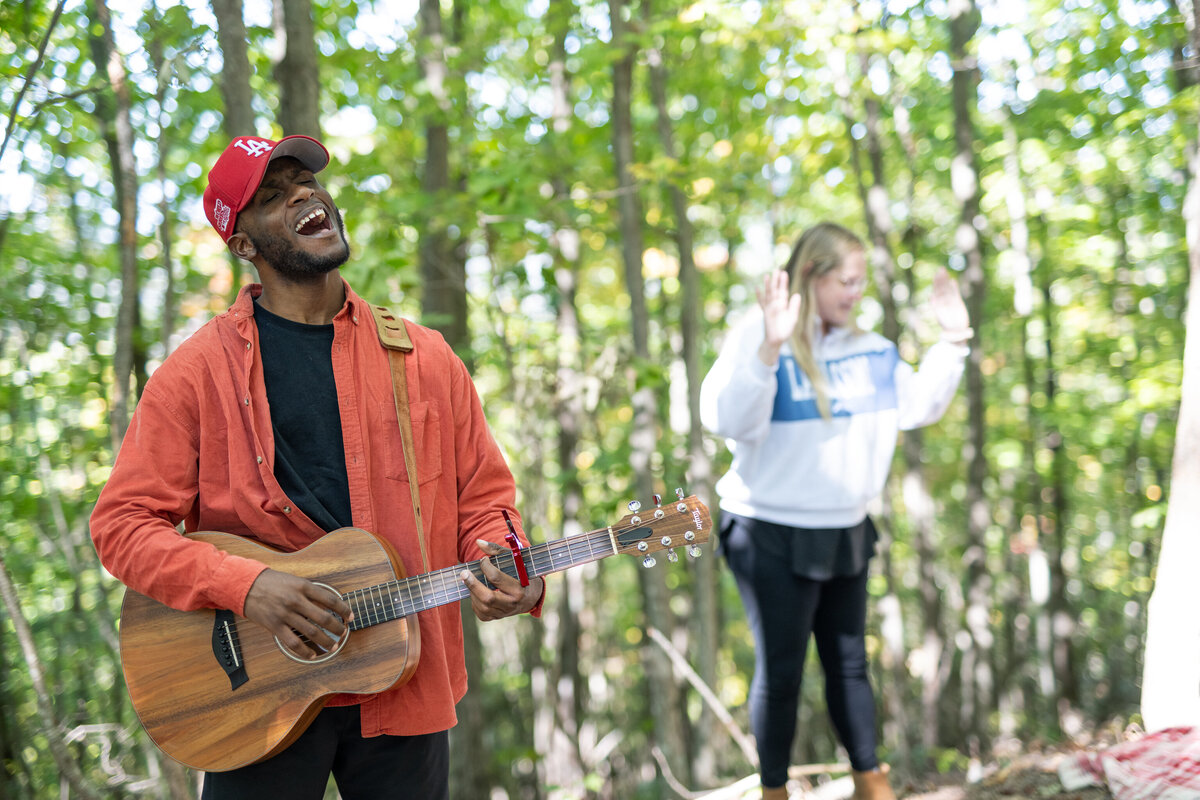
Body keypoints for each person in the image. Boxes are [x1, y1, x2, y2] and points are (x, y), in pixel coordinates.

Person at [89, 134, 544, 800]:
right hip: (250, 695)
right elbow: (122, 526)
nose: (305, 193)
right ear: (244, 245)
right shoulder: (195, 375)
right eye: (273, 196)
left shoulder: (424, 357)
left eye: (306, 181)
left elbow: (487, 502)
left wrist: (516, 571)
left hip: (404, 679)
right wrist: (249, 587)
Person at [699, 222, 971, 800]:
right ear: (810, 277)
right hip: (766, 532)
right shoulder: (757, 333)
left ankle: (873, 784)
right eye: (845, 281)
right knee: (783, 674)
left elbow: (918, 405)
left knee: (850, 666)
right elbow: (724, 419)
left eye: (861, 281)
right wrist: (770, 348)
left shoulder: (872, 350)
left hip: (845, 529)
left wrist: (954, 341)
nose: (856, 293)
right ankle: (774, 791)